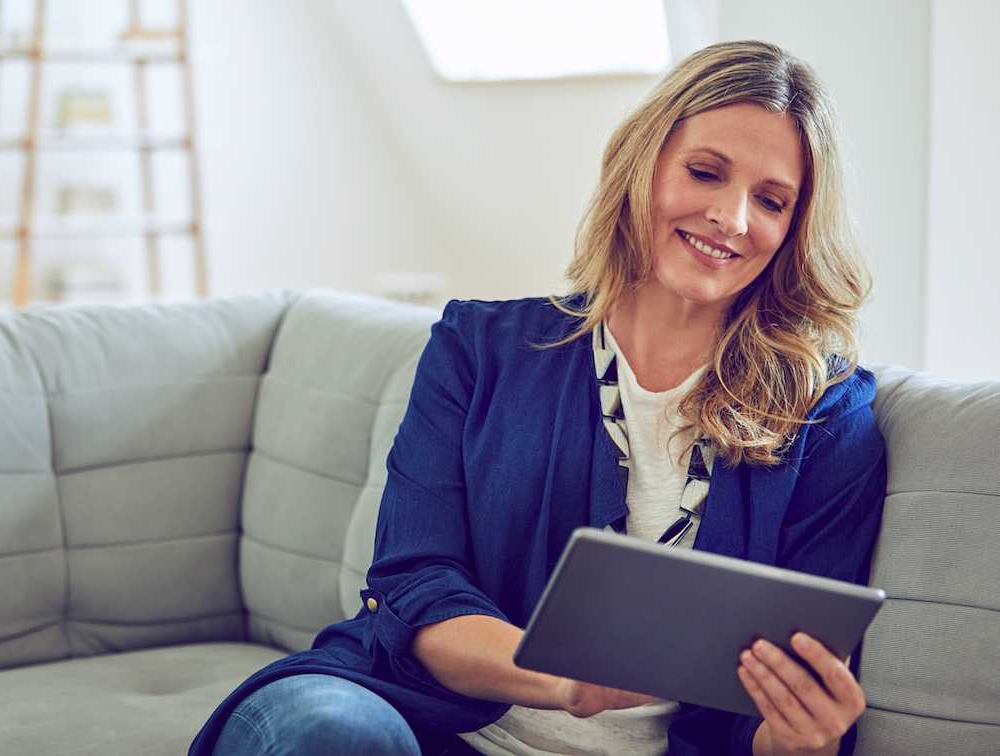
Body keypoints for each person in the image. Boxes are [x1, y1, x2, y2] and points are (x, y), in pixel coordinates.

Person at [189, 40, 887, 756]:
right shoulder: (478, 348)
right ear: (641, 167)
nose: (731, 218)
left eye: (769, 201)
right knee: (321, 732)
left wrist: (801, 739)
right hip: (424, 726)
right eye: (704, 173)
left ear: (794, 228)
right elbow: (416, 586)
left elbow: (779, 715)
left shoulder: (825, 415)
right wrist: (561, 681)